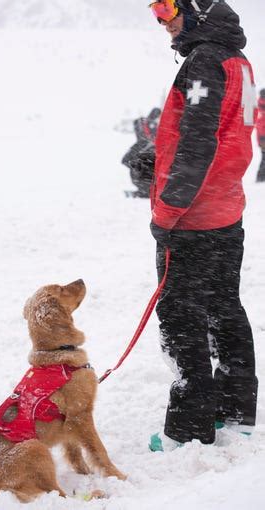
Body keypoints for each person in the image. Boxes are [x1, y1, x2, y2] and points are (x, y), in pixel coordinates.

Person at [146, 0, 258, 450]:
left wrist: (168, 212)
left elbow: (198, 142)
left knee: (180, 318)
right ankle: (236, 412)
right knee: (224, 309)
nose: (164, 21)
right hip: (226, 212)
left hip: (192, 219)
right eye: (156, 11)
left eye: (168, 7)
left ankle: (190, 428)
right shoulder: (239, 60)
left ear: (198, 10)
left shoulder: (205, 59)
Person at [121, 107, 161, 198]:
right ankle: (144, 187)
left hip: (147, 148)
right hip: (143, 146)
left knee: (143, 165)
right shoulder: (145, 123)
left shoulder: (150, 124)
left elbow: (151, 136)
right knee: (130, 161)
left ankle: (145, 188)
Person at [256, 89, 265, 182]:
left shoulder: (261, 109)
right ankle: (260, 178)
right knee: (264, 159)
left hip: (262, 139)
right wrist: (262, 139)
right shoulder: (263, 112)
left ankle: (261, 177)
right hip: (263, 139)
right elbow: (261, 127)